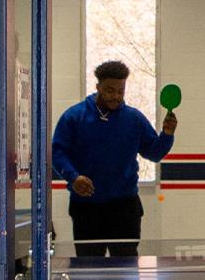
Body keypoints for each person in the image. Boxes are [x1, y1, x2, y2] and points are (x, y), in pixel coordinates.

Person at [51, 60, 177, 258]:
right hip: (86, 208)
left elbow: (154, 153)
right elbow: (57, 152)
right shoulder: (74, 117)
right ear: (98, 87)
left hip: (125, 208)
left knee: (126, 270)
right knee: (89, 270)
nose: (116, 96)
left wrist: (167, 135)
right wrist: (73, 178)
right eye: (110, 90)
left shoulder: (134, 119)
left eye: (120, 91)